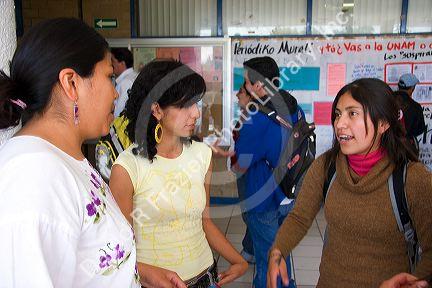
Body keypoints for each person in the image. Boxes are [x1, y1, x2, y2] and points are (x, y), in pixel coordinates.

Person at [0, 18, 142, 287]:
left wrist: (136, 271)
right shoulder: (33, 175)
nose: (115, 93)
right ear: (71, 83)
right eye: (109, 76)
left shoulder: (62, 158)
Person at [268, 78, 432, 288]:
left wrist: (416, 281)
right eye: (337, 114)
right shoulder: (326, 167)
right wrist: (278, 250)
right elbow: (300, 217)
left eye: (352, 114)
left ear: (383, 123)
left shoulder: (413, 179)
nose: (339, 123)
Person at [109, 59, 248, 287]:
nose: (195, 113)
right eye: (185, 105)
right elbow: (120, 250)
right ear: (156, 110)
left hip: (206, 275)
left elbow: (205, 222)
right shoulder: (127, 167)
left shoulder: (201, 155)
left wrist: (238, 260)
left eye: (196, 103)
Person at [235, 56, 303, 288]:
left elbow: (241, 161)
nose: (244, 86)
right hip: (288, 193)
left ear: (259, 85)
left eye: (246, 82)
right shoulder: (294, 107)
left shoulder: (257, 116)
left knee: (267, 260)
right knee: (281, 253)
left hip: (262, 200)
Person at [395, 73, 426, 154]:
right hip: (407, 149)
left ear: (399, 86)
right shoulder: (416, 106)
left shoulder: (386, 101)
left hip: (386, 148)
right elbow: (420, 129)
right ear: (412, 88)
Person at [111, 48, 138, 117]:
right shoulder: (135, 76)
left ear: (122, 63)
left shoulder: (126, 82)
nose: (111, 64)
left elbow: (118, 113)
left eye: (113, 61)